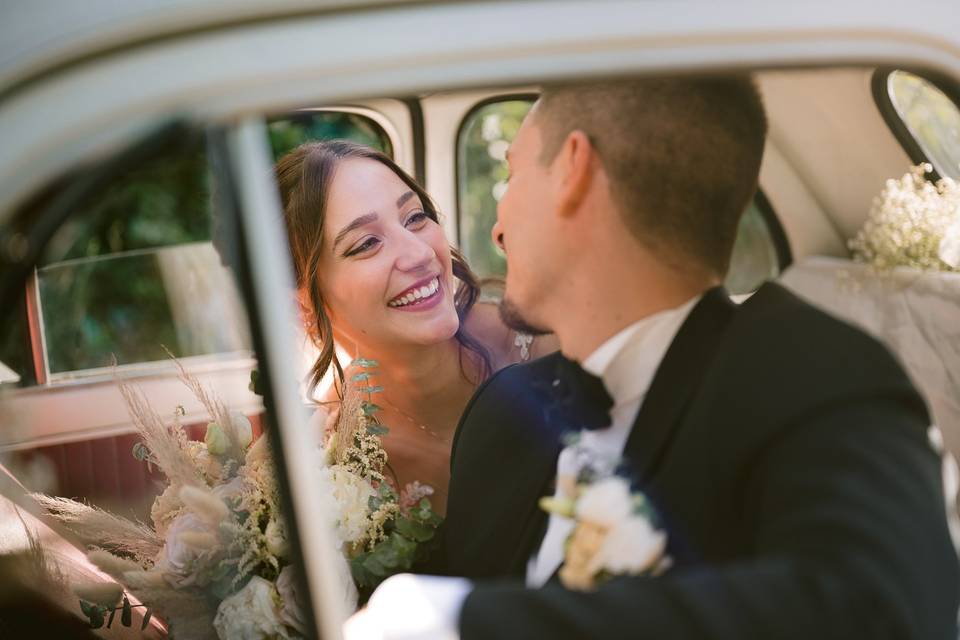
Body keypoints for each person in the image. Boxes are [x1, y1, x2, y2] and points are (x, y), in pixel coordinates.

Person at [344, 76, 960, 639]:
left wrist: (459, 621)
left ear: (573, 173)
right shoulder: (501, 416)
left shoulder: (818, 371)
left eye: (514, 175)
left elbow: (883, 610)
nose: (497, 230)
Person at [274, 140, 552, 515]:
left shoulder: (547, 339)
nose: (420, 254)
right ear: (304, 302)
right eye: (367, 243)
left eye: (415, 218)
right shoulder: (330, 456)